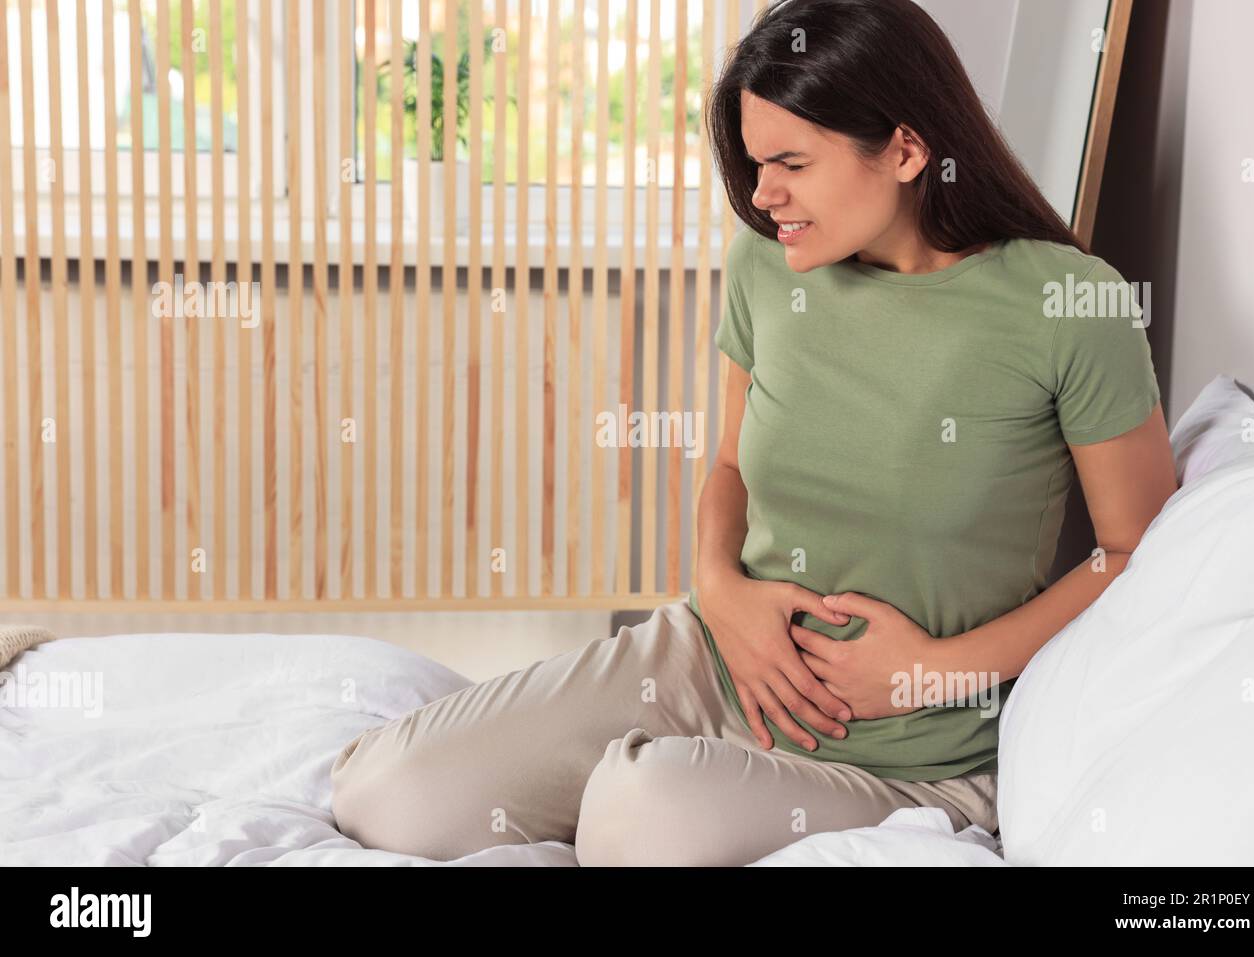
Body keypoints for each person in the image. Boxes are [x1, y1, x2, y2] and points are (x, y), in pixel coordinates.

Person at [329, 0, 1177, 866]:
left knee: (638, 813)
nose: (764, 195)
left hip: (905, 753)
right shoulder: (768, 267)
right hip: (712, 658)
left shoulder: (1069, 305)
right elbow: (730, 462)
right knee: (384, 798)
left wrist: (930, 669)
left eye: (790, 163)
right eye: (755, 161)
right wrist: (719, 588)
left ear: (908, 150)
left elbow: (1135, 547)